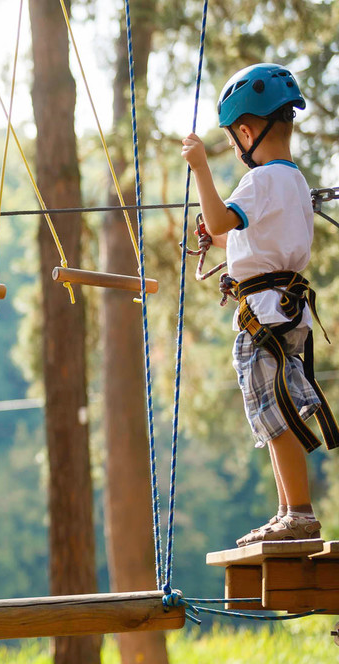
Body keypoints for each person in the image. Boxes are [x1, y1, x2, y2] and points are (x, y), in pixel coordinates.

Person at [182, 63, 339, 547]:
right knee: (277, 411)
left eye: (233, 139)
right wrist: (221, 237)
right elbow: (251, 238)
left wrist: (201, 168)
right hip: (288, 311)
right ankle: (290, 511)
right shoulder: (294, 182)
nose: (235, 148)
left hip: (265, 315)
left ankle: (299, 512)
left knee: (274, 413)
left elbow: (219, 220)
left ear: (247, 133)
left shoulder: (260, 181)